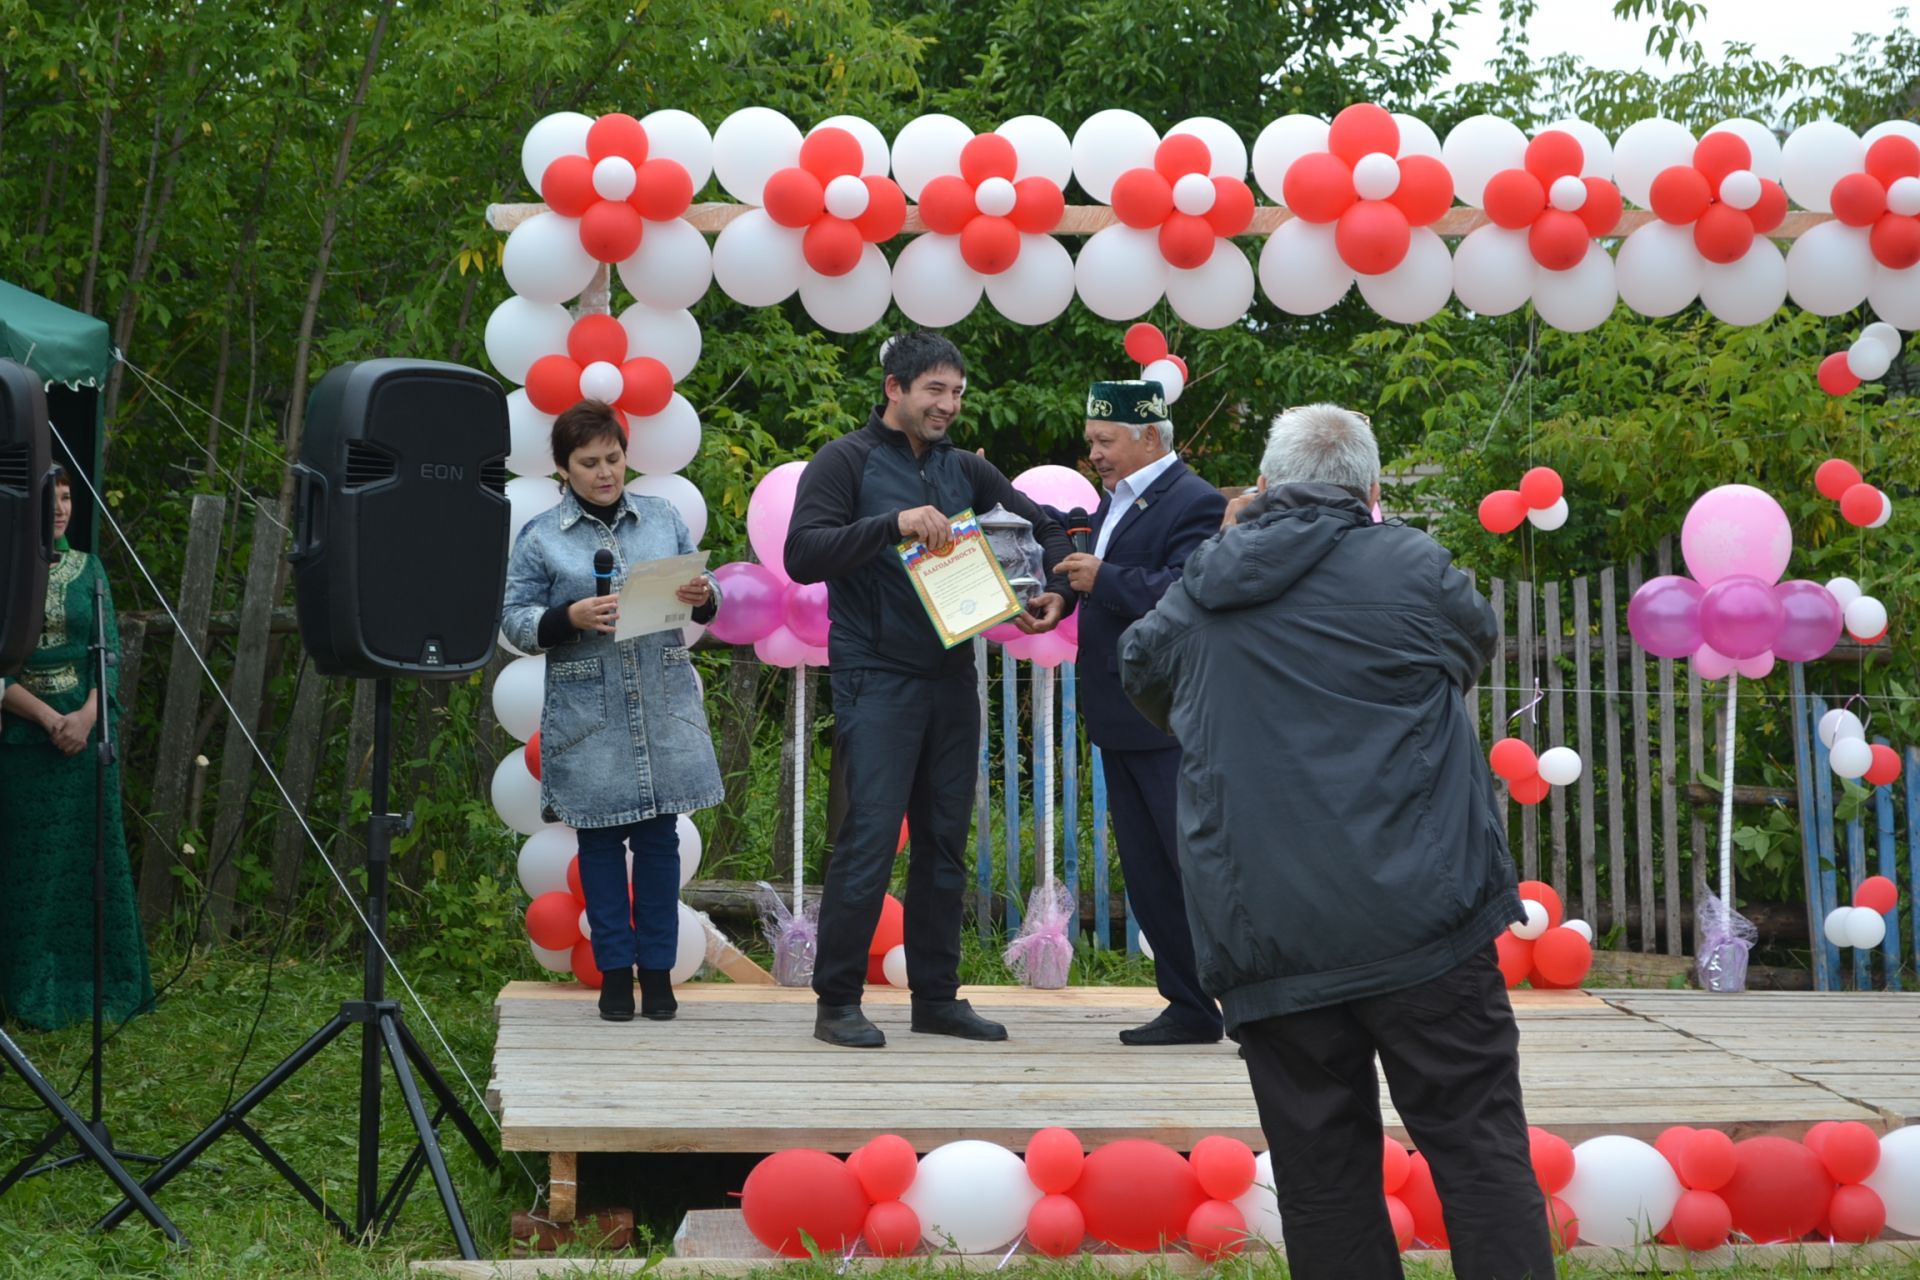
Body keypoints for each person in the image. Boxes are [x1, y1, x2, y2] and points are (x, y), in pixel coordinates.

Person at [1120, 405, 1554, 1279]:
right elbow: (1472, 648)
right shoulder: (1416, 570)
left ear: (1265, 488)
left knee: (1320, 1174)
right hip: (1425, 921)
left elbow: (1142, 671)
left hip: (1269, 931)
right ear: (1374, 491)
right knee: (1477, 1145)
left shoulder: (1202, 585)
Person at [785, 332, 1074, 1049]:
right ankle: (838, 1003)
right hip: (875, 675)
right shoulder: (842, 461)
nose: (948, 405)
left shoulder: (966, 470)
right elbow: (800, 553)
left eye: (957, 393)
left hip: (952, 676)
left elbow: (1044, 524)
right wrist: (891, 525)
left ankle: (936, 999)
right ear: (894, 389)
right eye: (934, 391)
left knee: (945, 845)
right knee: (870, 840)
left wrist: (1059, 589)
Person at [502, 400, 722, 1024]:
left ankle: (658, 975)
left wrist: (705, 594)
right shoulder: (542, 537)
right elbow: (513, 620)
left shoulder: (662, 517)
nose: (605, 473)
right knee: (598, 849)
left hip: (659, 703)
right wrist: (564, 617)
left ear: (627, 455)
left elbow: (706, 600)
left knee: (659, 844)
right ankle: (613, 976)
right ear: (563, 469)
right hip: (589, 714)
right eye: (589, 463)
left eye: (614, 459)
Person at [1049, 379, 1225, 1046]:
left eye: (1105, 440)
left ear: (1150, 435)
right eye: (1091, 440)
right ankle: (1187, 1004)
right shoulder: (1114, 501)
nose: (1093, 452)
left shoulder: (1195, 500)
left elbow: (1192, 588)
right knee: (1150, 872)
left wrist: (1105, 580)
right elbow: (1098, 577)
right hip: (1124, 715)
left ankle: (1250, 1003)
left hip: (1168, 718)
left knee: (1194, 868)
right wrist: (1064, 600)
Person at [0, 466, 154, 1031]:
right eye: (50, 500)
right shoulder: (7, 570)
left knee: (90, 862)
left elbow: (107, 655)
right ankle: (24, 986)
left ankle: (97, 982)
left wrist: (87, 718)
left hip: (86, 746)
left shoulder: (91, 570)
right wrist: (47, 719)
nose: (61, 509)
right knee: (27, 868)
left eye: (66, 498)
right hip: (20, 744)